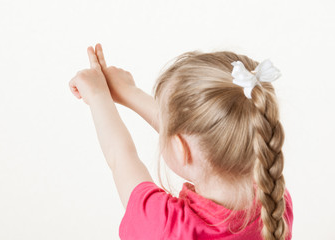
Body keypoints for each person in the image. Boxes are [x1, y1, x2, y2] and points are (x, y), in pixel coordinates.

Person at [69, 43, 294, 240]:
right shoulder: (274, 201)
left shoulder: (167, 227)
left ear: (181, 148)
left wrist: (98, 96)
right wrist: (128, 91)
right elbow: (203, 131)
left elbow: (121, 157)